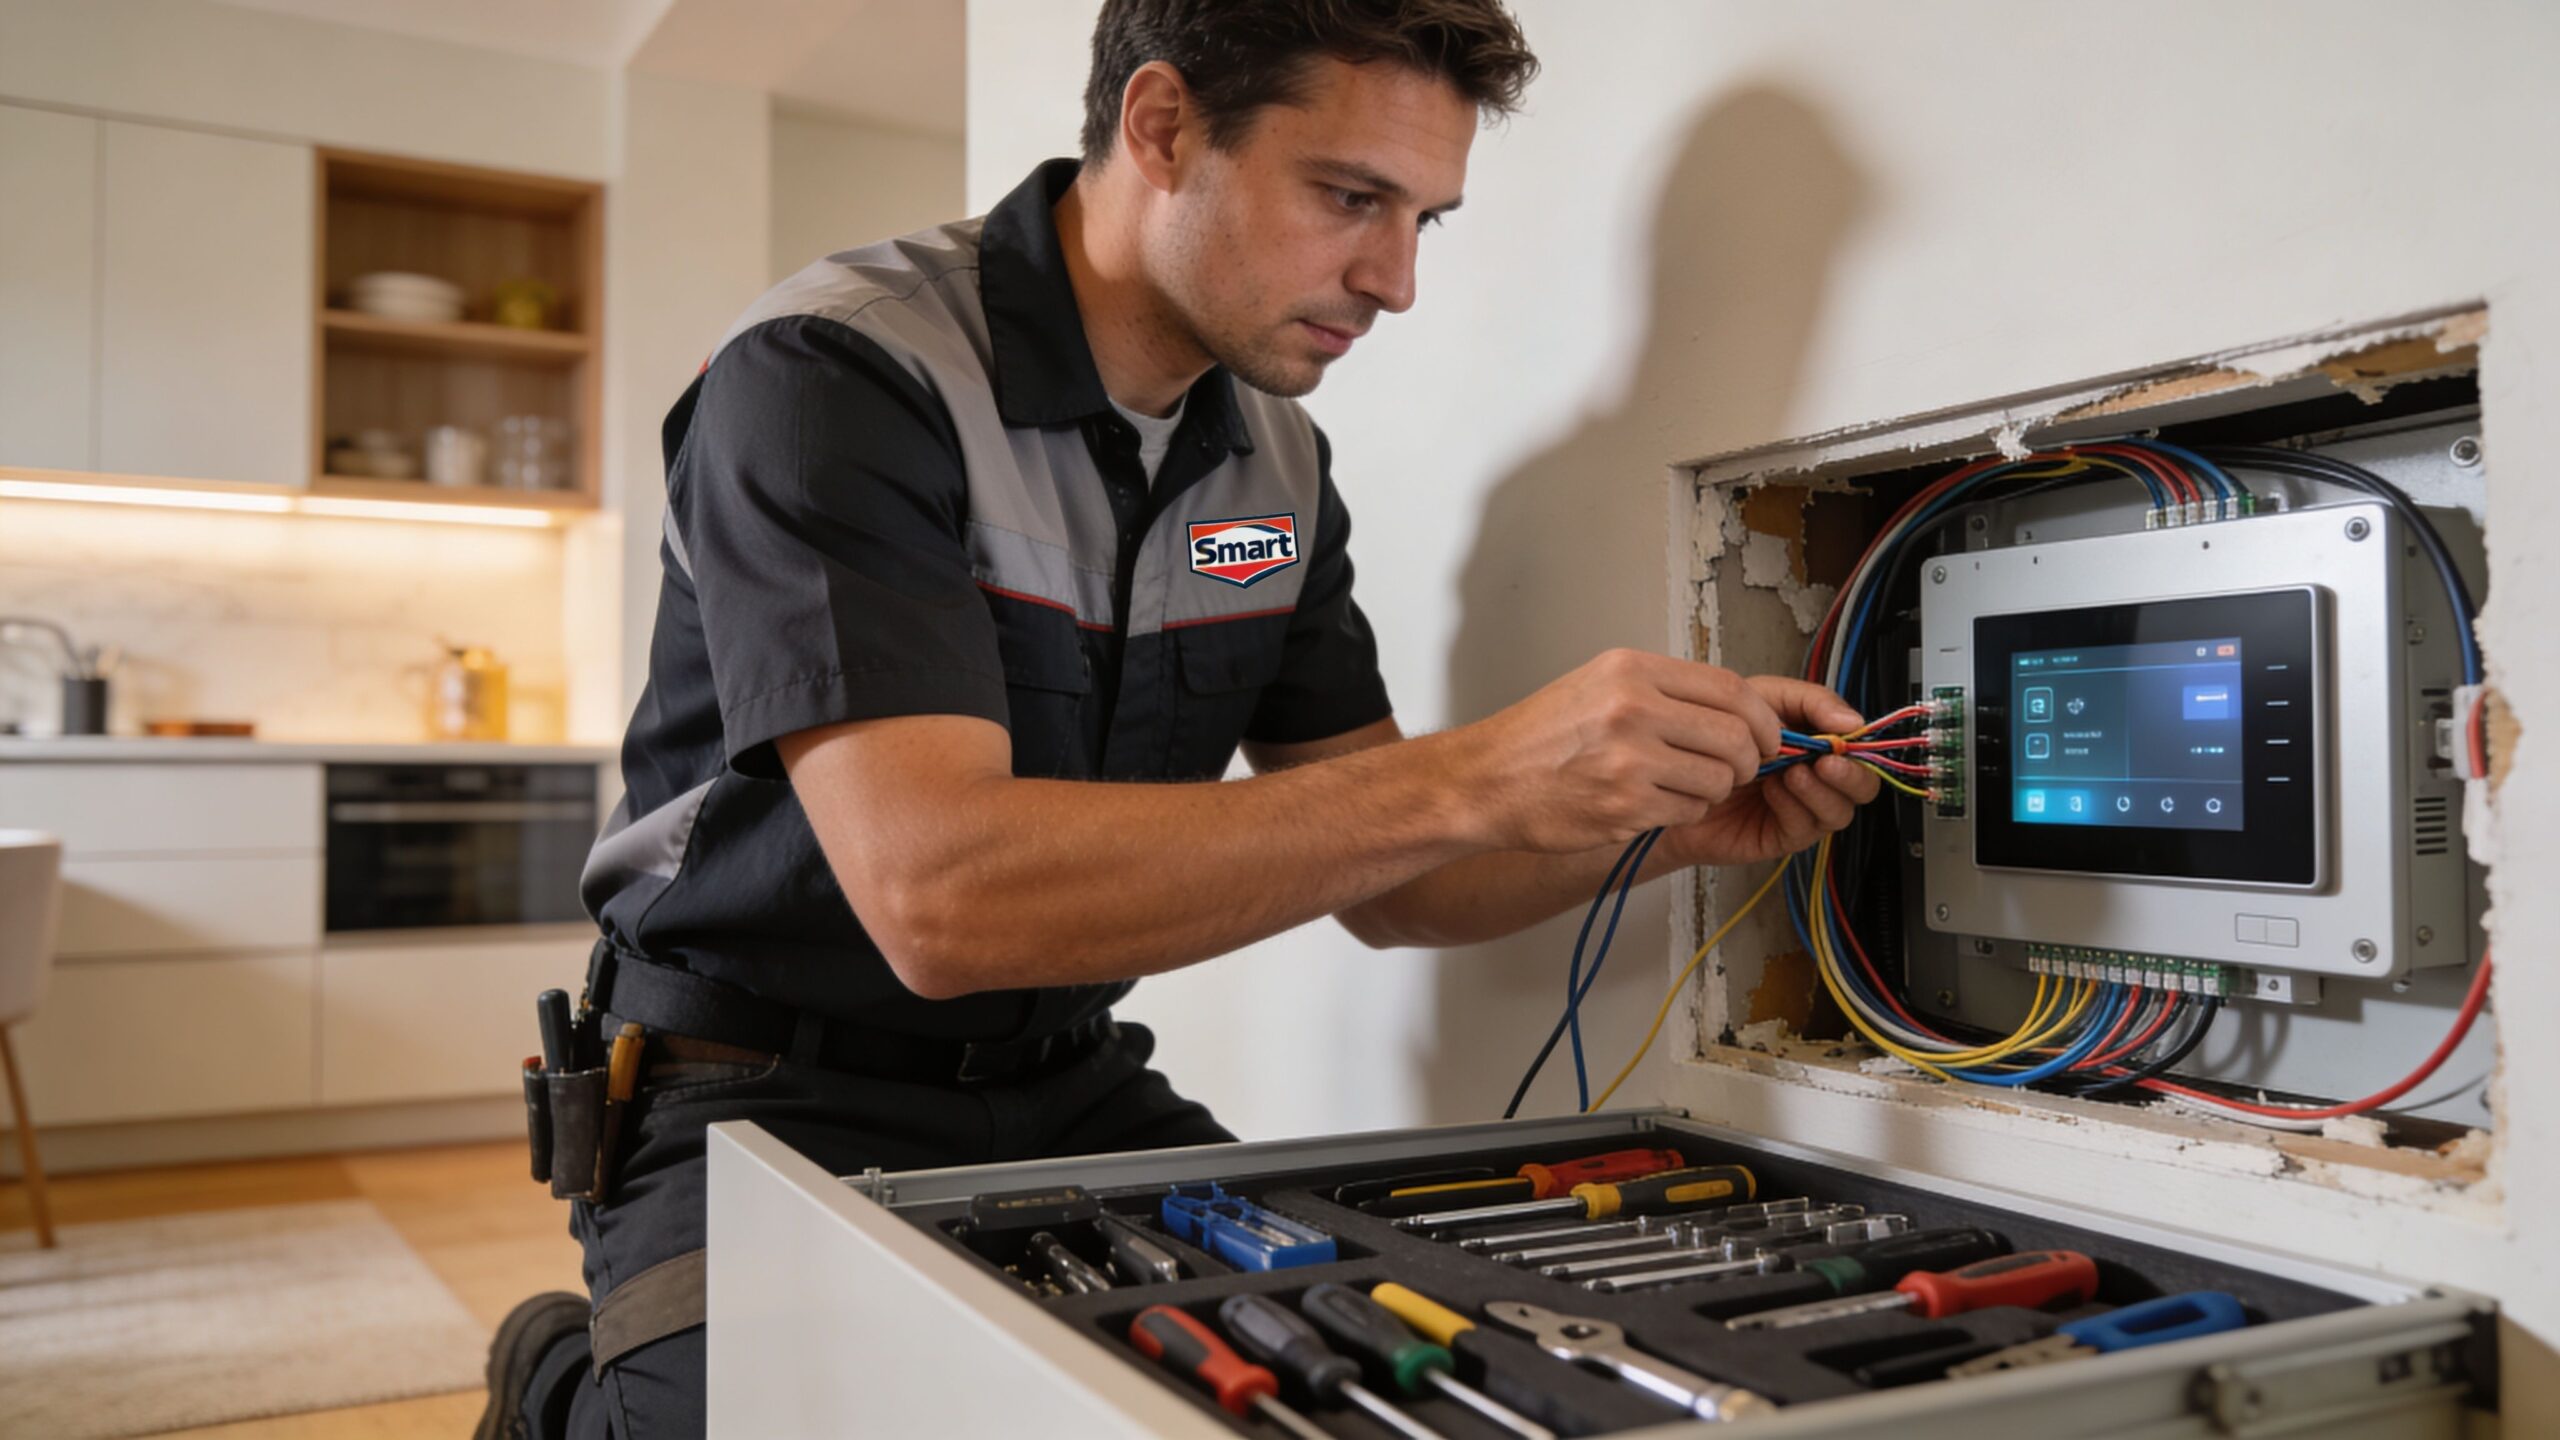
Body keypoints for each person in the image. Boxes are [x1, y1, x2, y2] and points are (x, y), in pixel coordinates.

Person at [477, 3, 1880, 1436]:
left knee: (1356, 1383)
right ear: (1161, 128)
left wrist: (1671, 828)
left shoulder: (1275, 460)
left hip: (1065, 1080)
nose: (1394, 280)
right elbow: (939, 898)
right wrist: (1480, 770)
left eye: (1425, 222)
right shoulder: (839, 376)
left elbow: (1410, 881)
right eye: (1350, 198)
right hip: (753, 1094)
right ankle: (554, 1385)